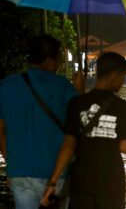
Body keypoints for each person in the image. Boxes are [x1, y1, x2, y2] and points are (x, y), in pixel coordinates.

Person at [41, 52, 126, 209]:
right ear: (114, 75)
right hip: (111, 185)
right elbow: (125, 147)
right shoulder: (124, 107)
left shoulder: (76, 103)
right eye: (122, 76)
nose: (122, 81)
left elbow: (68, 146)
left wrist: (53, 183)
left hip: (81, 184)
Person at [0, 34, 83, 209]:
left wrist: (12, 164)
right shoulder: (63, 86)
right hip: (55, 174)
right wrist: (80, 92)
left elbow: (0, 131)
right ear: (48, 60)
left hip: (20, 172)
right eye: (58, 59)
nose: (59, 63)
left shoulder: (6, 86)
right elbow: (80, 122)